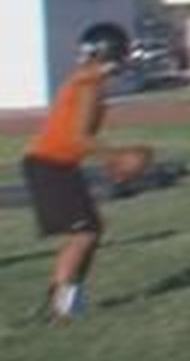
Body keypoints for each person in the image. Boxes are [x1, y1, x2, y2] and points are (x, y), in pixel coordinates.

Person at [22, 21, 147, 321]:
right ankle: (61, 303)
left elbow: (77, 137)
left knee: (90, 229)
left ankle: (67, 297)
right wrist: (116, 156)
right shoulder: (88, 85)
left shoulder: (88, 82)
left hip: (58, 163)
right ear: (111, 54)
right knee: (84, 232)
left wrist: (108, 160)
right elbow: (78, 137)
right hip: (48, 163)